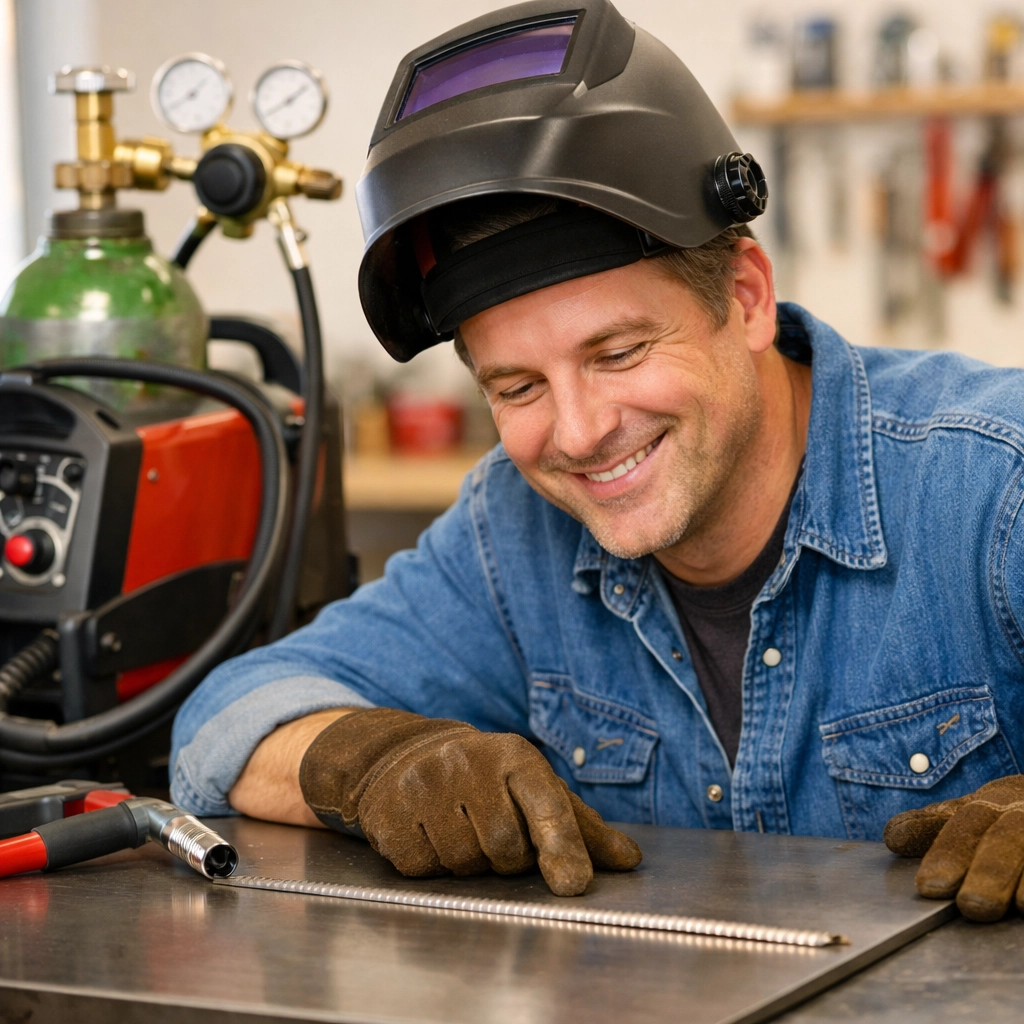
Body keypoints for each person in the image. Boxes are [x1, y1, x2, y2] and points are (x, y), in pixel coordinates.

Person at [171, 0, 1024, 921]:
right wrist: (369, 761)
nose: (577, 435)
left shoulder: (991, 485)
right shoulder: (515, 529)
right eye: (518, 387)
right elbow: (226, 719)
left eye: (617, 354)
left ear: (744, 299)